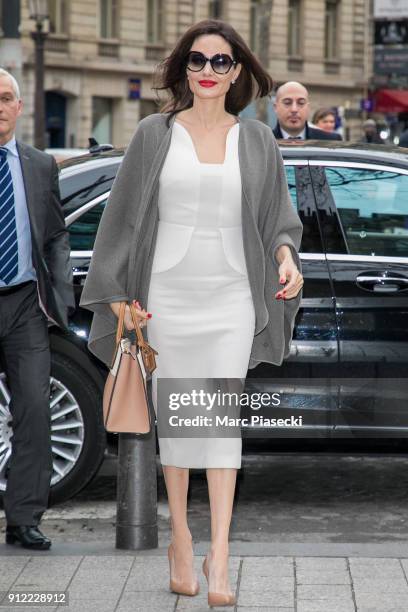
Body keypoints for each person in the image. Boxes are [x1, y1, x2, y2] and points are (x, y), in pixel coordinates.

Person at [80, 19, 303, 608]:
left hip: (232, 297)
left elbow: (278, 219)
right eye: (197, 61)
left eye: (221, 62)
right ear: (183, 69)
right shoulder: (155, 134)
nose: (208, 71)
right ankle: (181, 539)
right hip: (167, 299)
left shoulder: (256, 141)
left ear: (238, 72)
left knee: (220, 425)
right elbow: (121, 220)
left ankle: (220, 554)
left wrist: (286, 258)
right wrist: (119, 296)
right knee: (180, 426)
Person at [0, 69, 74, 549]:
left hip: (25, 304)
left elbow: (56, 235)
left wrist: (60, 299)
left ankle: (24, 519)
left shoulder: (39, 164)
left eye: (6, 97)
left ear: (19, 107)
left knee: (33, 413)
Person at [273, 81, 342, 141]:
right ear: (275, 107)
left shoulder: (331, 141)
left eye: (301, 103)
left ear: (308, 108)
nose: (294, 109)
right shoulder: (264, 142)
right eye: (287, 103)